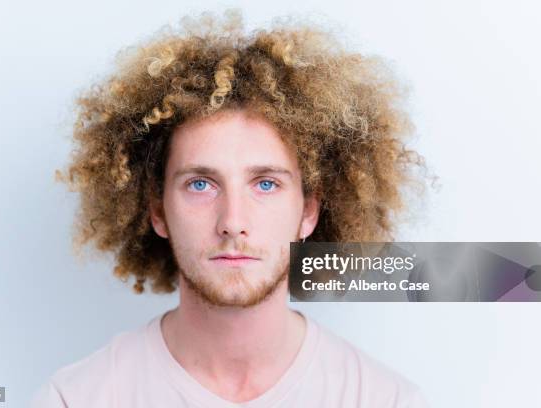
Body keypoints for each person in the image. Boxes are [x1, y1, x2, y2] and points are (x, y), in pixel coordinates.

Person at [31, 9, 429, 407]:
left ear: (308, 212)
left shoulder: (386, 400)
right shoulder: (75, 398)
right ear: (157, 211)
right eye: (200, 184)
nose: (233, 222)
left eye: (266, 184)